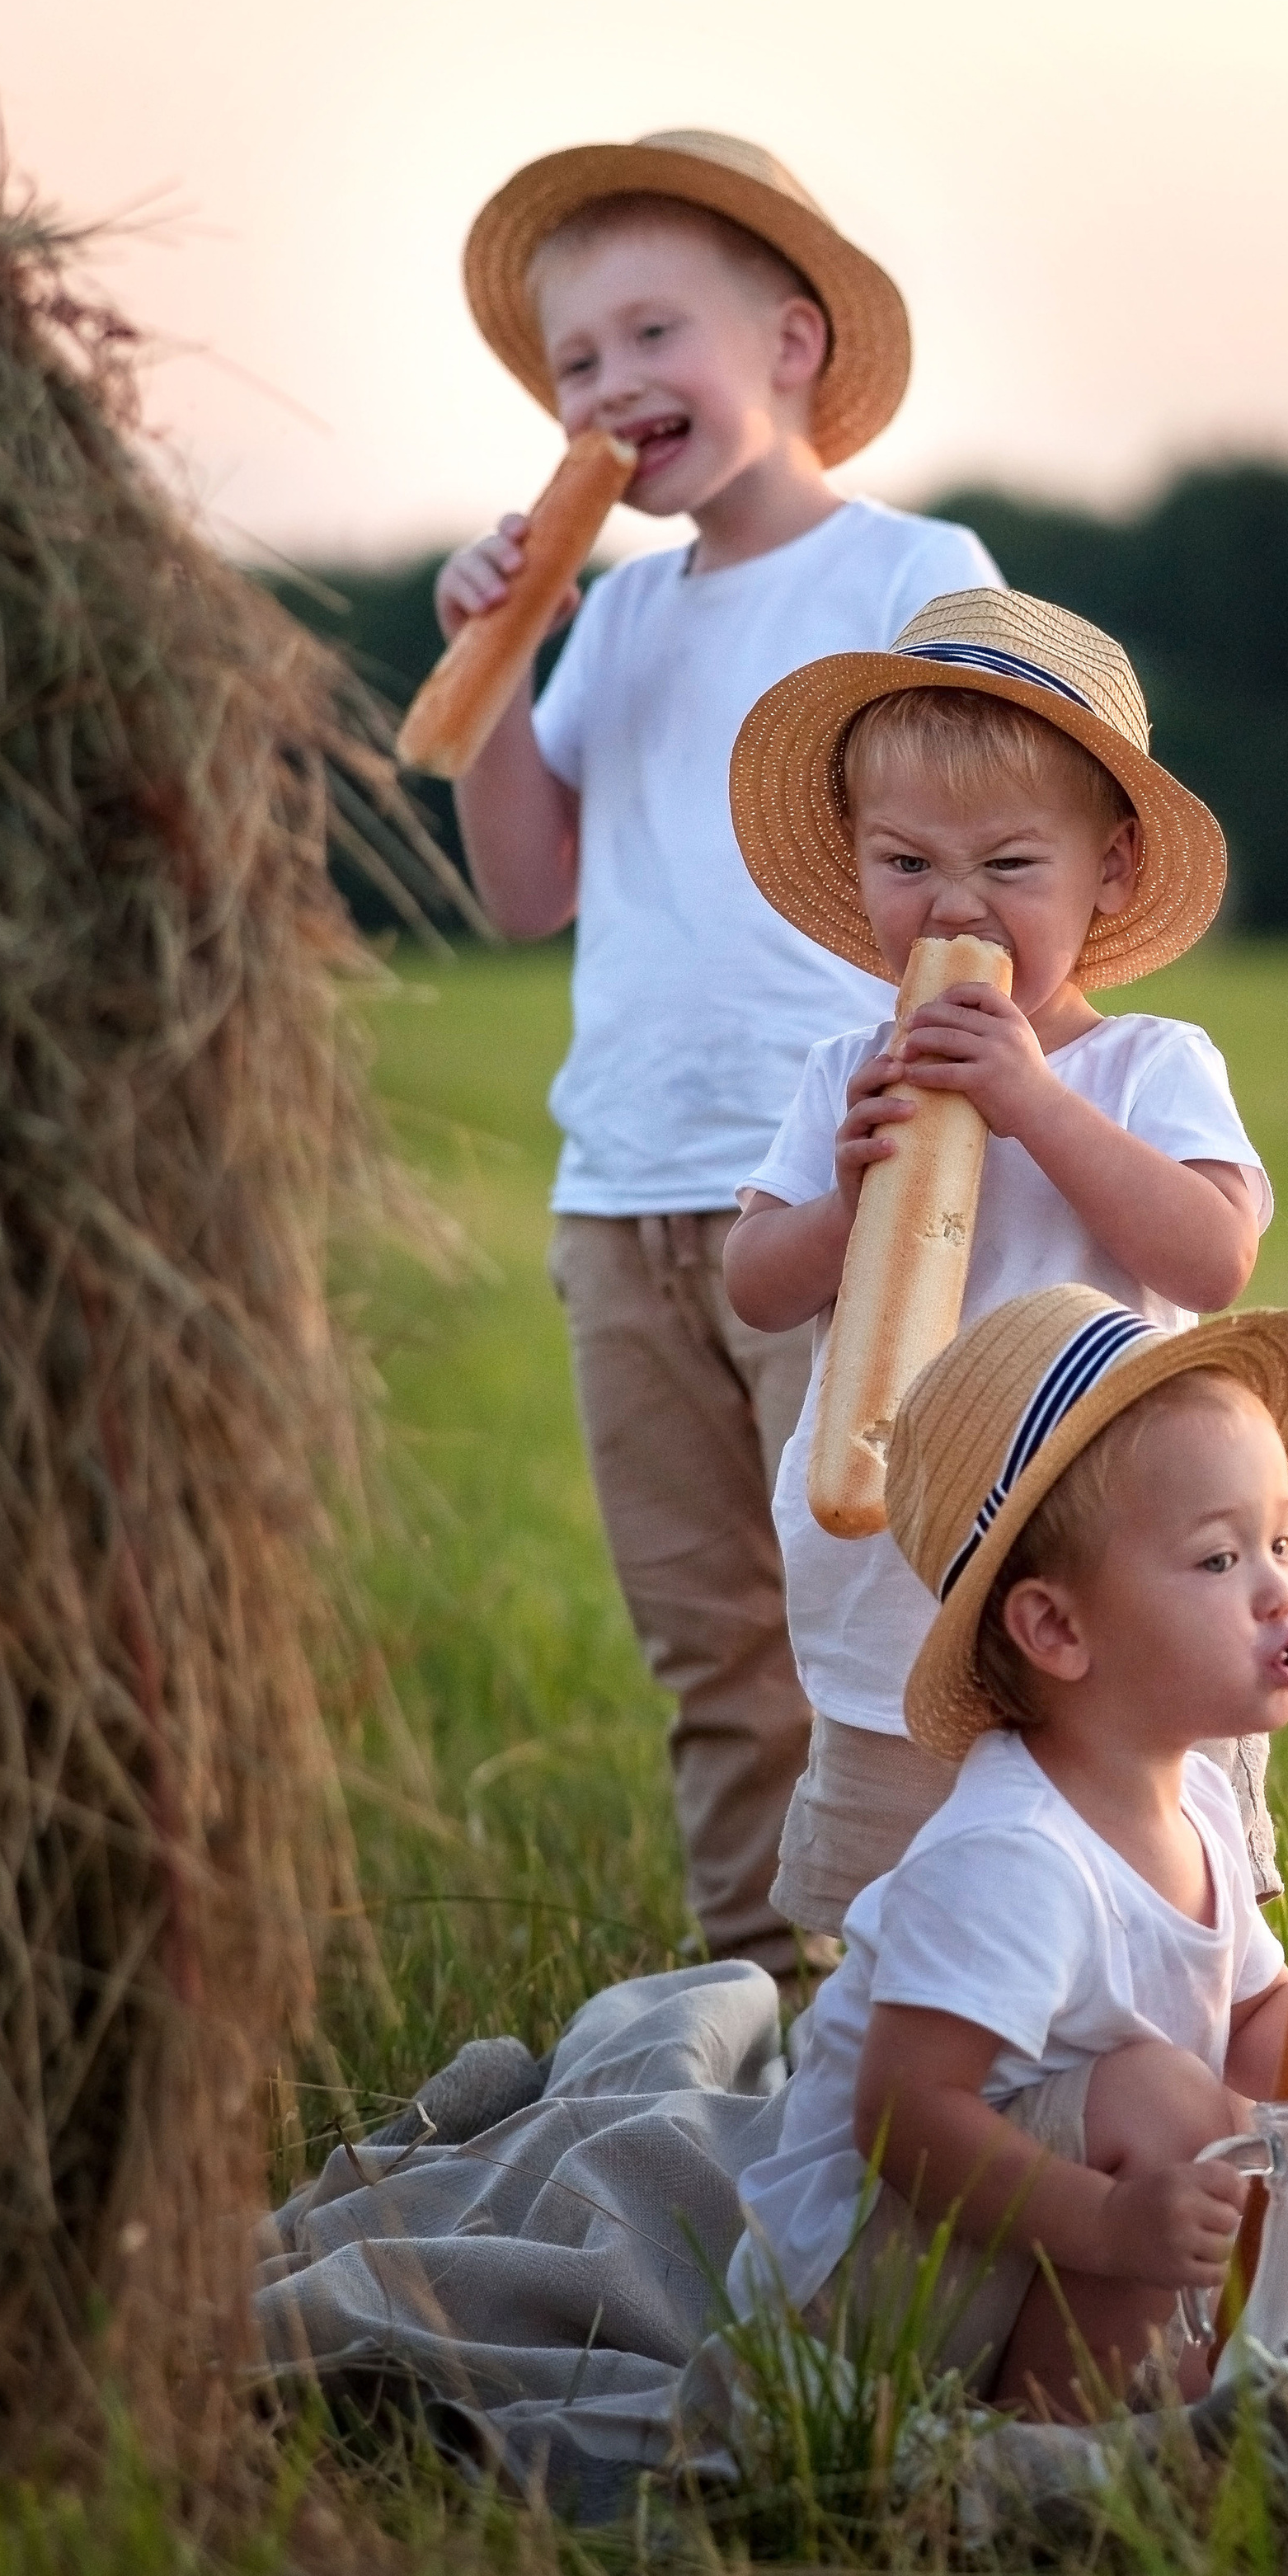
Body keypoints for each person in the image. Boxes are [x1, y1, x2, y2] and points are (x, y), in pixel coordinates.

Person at [435, 131, 999, 1985]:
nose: (602, 388)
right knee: (707, 1650)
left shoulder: (912, 573)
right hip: (621, 1199)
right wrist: (501, 668)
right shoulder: (612, 618)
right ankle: (762, 2006)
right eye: (569, 362)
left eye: (644, 332)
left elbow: (996, 867)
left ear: (789, 342)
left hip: (839, 1184)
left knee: (867, 1623)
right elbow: (523, 889)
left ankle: (930, 1995)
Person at [728, 1285, 1288, 2414]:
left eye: (1281, 1541)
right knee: (1166, 2105)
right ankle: (1083, 2432)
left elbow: (1253, 2030)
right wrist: (1105, 2224)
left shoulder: (1196, 1801)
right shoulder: (1011, 1857)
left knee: (1233, 2126)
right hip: (867, 2278)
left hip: (1025, 2239)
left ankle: (1219, 2366)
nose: (1277, 1590)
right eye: (1217, 1561)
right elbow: (903, 2117)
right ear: (1057, 1629)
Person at [725, 584, 1288, 1935]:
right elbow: (754, 1281)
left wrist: (1037, 1103)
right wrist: (845, 1197)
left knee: (1151, 1918)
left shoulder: (1149, 1068)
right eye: (906, 864)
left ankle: (1160, 2087)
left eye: (1009, 868)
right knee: (898, 1929)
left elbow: (1212, 1259)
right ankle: (915, 2094)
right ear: (857, 863)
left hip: (1120, 1584)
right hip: (895, 1591)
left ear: (1112, 874)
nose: (950, 908)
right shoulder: (842, 1075)